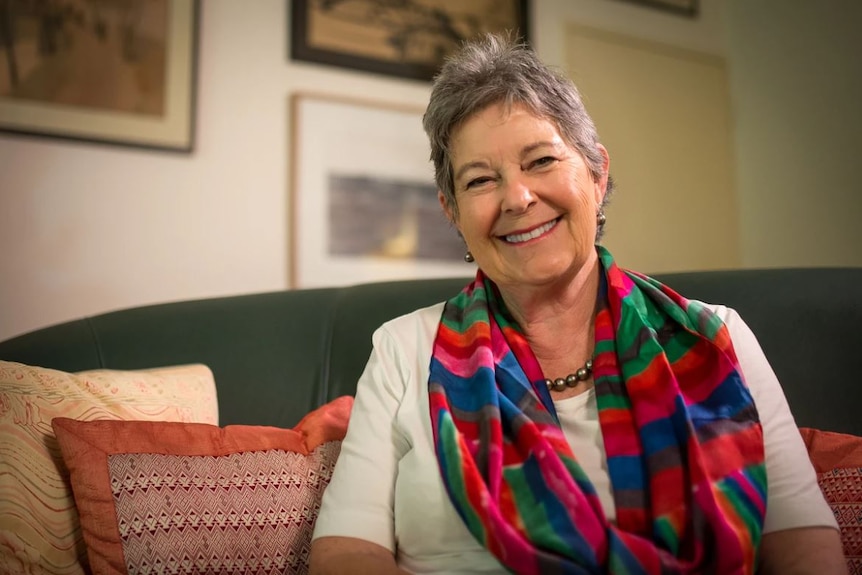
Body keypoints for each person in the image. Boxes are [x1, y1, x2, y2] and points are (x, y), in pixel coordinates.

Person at [309, 33, 846, 574]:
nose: (517, 198)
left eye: (540, 160)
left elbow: (803, 545)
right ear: (452, 212)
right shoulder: (403, 348)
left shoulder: (717, 337)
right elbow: (347, 549)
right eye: (480, 180)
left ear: (596, 172)